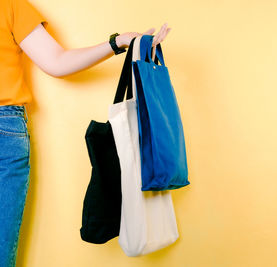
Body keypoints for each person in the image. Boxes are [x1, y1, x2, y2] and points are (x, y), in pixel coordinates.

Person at [0, 0, 171, 265]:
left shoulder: (9, 6)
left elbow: (56, 62)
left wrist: (119, 42)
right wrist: (117, 42)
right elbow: (56, 63)